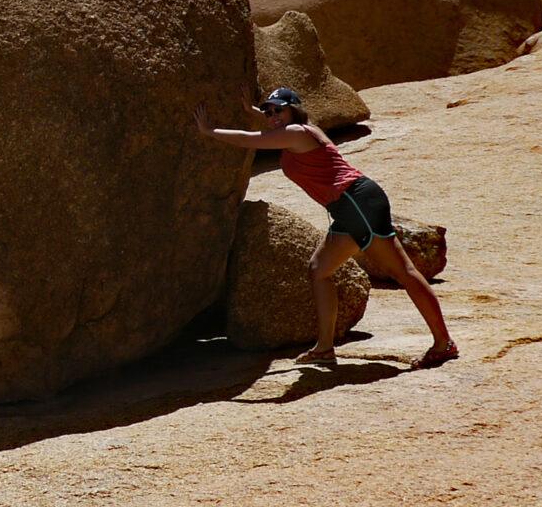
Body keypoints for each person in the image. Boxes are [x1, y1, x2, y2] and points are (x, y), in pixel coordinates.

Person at [192, 87, 458, 369]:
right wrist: (256, 113)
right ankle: (324, 348)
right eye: (269, 111)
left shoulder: (297, 132)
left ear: (294, 109)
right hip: (347, 207)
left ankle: (443, 343)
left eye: (278, 109)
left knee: (403, 272)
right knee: (319, 270)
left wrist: (210, 131)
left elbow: (254, 139)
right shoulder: (299, 130)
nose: (272, 116)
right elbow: (273, 129)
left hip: (356, 200)